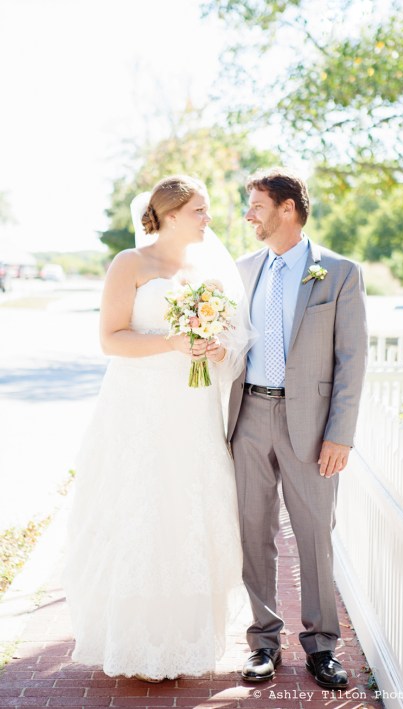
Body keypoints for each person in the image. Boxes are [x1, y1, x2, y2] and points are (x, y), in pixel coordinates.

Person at [63, 176, 251, 682]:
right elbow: (111, 339)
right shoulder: (131, 263)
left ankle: (180, 640)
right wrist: (172, 343)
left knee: (187, 508)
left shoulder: (204, 269)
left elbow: (226, 338)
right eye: (200, 210)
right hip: (137, 407)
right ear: (169, 215)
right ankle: (133, 639)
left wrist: (214, 348)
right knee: (139, 508)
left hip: (191, 408)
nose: (209, 219)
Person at [226, 168, 368, 689]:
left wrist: (341, 433)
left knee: (314, 536)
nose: (248, 217)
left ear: (288, 209)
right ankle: (263, 642)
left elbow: (352, 360)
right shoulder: (240, 271)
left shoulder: (340, 272)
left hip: (311, 426)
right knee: (253, 532)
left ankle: (322, 646)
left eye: (257, 207)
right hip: (248, 418)